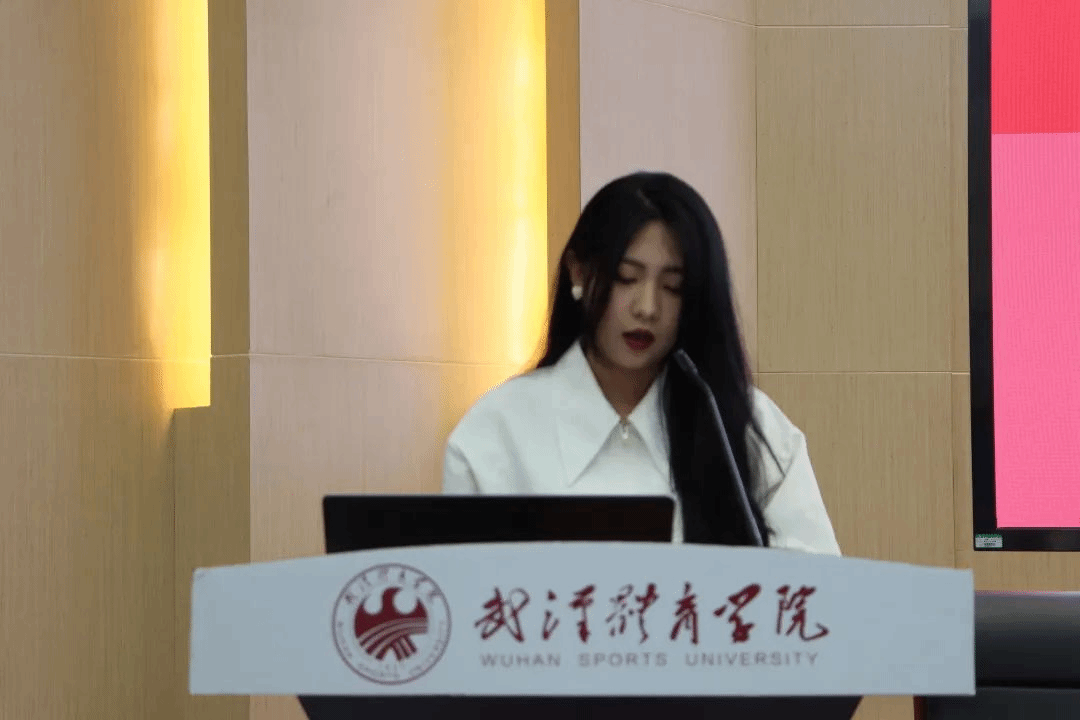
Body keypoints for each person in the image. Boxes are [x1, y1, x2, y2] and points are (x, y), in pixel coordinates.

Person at [441, 171, 840, 554]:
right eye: (626, 278)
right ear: (578, 272)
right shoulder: (497, 432)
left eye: (672, 287)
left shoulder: (746, 426)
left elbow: (817, 586)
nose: (647, 307)